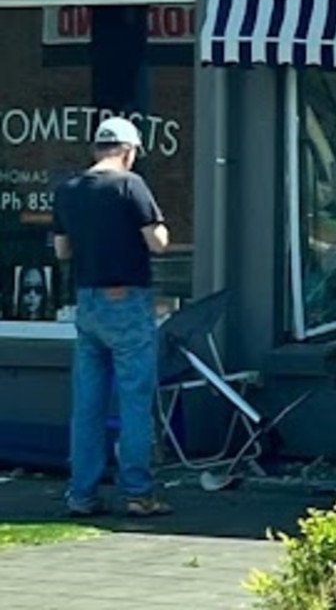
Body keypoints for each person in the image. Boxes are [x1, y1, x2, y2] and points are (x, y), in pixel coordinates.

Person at [52, 117, 172, 518]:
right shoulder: (129, 185)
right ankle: (138, 493)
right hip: (127, 300)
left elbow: (62, 251)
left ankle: (81, 494)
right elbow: (156, 243)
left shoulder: (68, 189)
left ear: (97, 149)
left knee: (87, 404)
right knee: (135, 400)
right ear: (128, 151)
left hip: (88, 303)